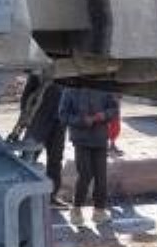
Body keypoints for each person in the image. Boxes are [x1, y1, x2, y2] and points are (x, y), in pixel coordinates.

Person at [58, 87, 120, 224]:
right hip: (81, 140)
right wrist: (82, 120)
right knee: (85, 174)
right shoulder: (70, 90)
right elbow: (63, 115)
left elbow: (114, 109)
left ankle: (99, 211)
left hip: (100, 139)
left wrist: (104, 115)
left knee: (101, 176)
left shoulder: (103, 87)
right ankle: (76, 210)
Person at [19, 76, 67, 206]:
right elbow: (26, 97)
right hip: (39, 121)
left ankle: (52, 196)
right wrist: (26, 116)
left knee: (55, 160)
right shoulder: (40, 73)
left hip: (59, 122)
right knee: (29, 158)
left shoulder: (67, 73)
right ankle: (23, 195)